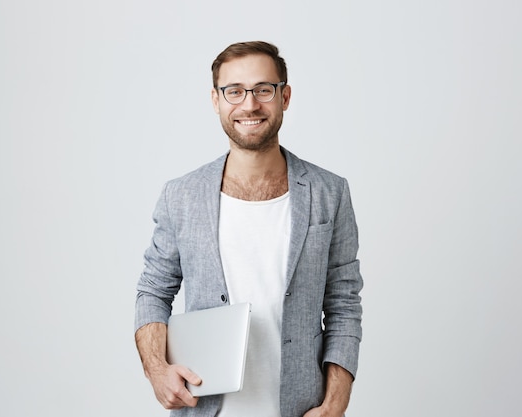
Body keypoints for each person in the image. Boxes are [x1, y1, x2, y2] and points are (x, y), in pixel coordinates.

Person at [135, 41, 363, 417]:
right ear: (216, 100)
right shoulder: (181, 195)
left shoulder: (329, 192)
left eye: (263, 90)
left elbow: (343, 304)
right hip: (205, 407)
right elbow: (152, 291)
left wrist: (335, 403)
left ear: (284, 96)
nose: (250, 104)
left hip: (300, 409)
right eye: (235, 91)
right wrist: (157, 370)